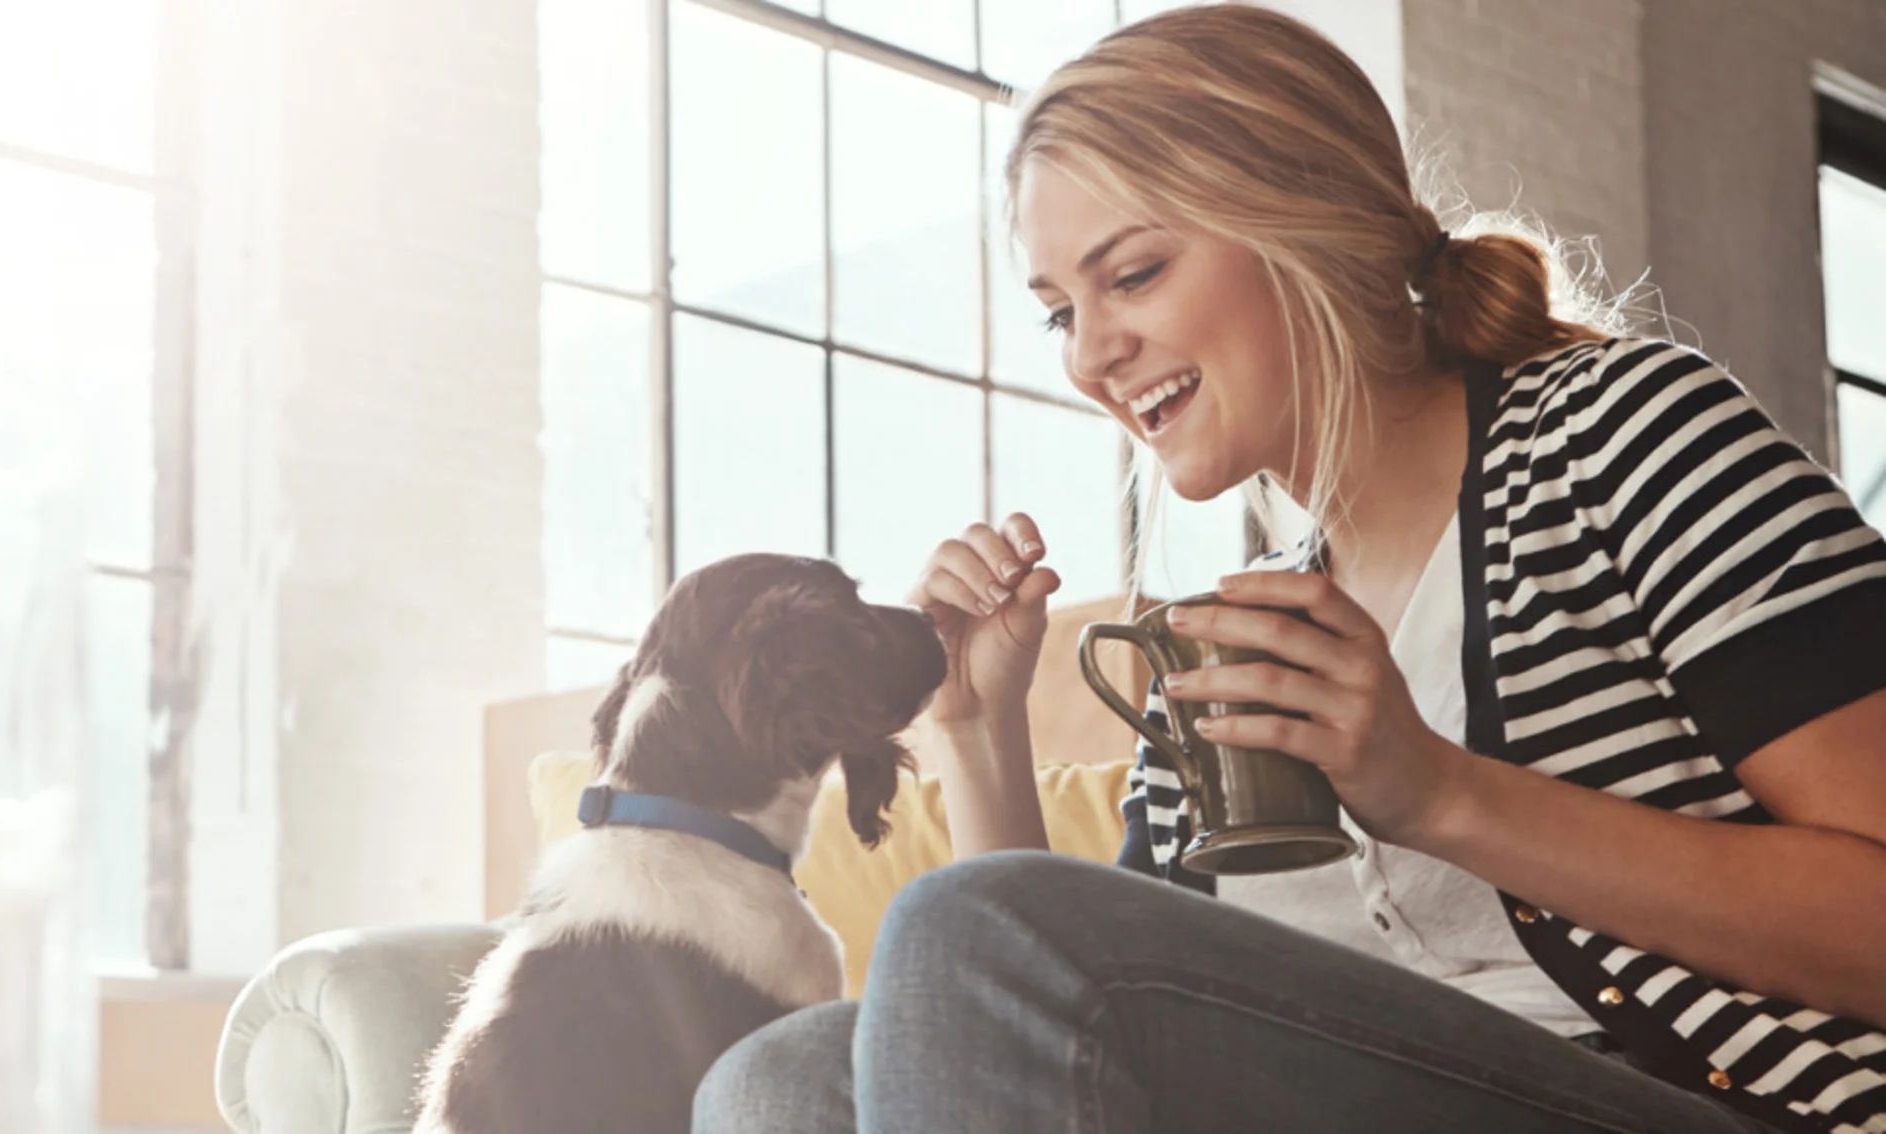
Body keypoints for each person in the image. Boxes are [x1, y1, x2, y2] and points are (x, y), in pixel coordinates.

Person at [689, 6, 1886, 1132]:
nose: (1094, 356)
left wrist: (1442, 794)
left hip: (1714, 1103)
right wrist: (972, 726)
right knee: (781, 1079)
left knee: (953, 943)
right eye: (1060, 312)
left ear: (1298, 216)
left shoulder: (1623, 434)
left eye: (1133, 275)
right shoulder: (1224, 644)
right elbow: (1062, 999)